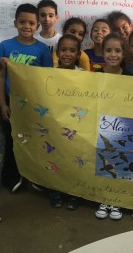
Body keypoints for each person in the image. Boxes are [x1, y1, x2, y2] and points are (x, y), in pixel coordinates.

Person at [0, 3, 53, 193]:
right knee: (13, 140)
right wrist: (2, 104)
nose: (26, 26)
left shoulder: (43, 49)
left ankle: (36, 177)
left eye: (31, 23)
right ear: (15, 23)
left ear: (37, 25)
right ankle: (12, 177)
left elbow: (47, 80)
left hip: (34, 106)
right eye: (22, 22)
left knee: (35, 140)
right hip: (12, 105)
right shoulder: (5, 46)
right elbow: (0, 76)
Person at [94, 33, 130, 220]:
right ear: (102, 52)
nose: (113, 55)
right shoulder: (95, 76)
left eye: (117, 51)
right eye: (109, 50)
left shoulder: (131, 76)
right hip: (102, 125)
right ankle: (103, 198)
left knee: (121, 161)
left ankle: (117, 200)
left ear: (124, 54)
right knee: (102, 161)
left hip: (124, 126)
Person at [49, 34, 84, 209]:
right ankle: (56, 190)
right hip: (56, 125)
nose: (67, 54)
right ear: (57, 52)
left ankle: (74, 193)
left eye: (72, 50)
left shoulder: (84, 75)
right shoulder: (50, 74)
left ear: (79, 54)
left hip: (77, 127)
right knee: (56, 157)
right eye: (63, 50)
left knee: (74, 159)